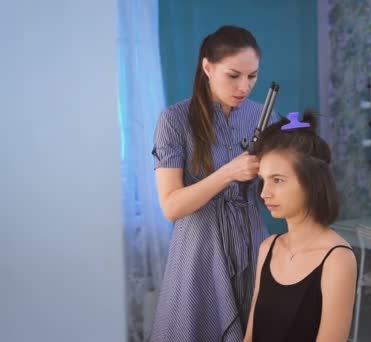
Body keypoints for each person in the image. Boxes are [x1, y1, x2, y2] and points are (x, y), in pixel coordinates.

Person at [150, 25, 276, 342]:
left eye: (252, 76)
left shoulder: (263, 116)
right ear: (207, 67)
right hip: (200, 249)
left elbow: (272, 194)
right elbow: (171, 206)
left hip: (251, 240)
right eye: (233, 75)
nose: (244, 86)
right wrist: (228, 172)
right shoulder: (174, 120)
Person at [243, 112, 358, 342]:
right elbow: (250, 336)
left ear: (312, 182)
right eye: (263, 181)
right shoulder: (268, 247)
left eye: (278, 180)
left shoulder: (337, 259)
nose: (264, 193)